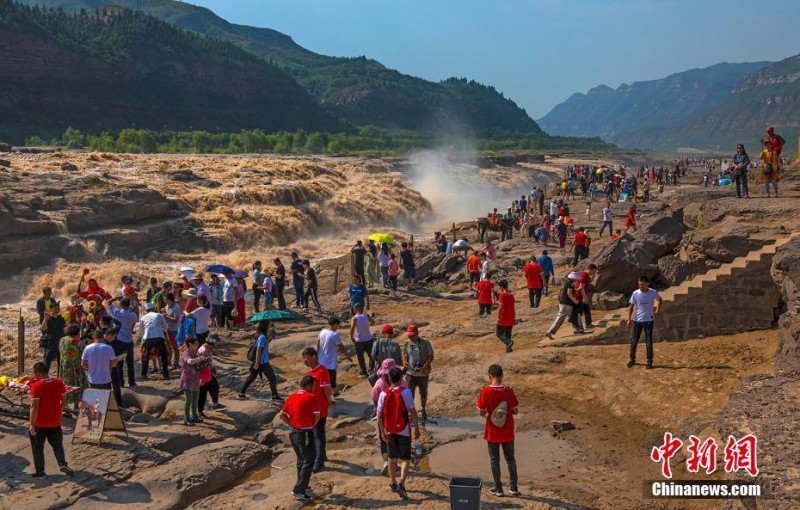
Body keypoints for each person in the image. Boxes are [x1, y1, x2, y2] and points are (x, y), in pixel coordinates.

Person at [376, 367, 420, 500]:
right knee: (405, 459)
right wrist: (416, 428)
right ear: (401, 378)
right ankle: (402, 483)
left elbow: (379, 415)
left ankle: (393, 482)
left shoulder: (383, 393)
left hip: (389, 430)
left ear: (389, 379)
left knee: (391, 457)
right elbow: (412, 412)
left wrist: (382, 431)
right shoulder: (406, 392)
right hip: (403, 430)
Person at [477, 364, 520, 497]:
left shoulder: (485, 392)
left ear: (490, 376)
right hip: (507, 430)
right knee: (510, 459)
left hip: (492, 431)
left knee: (494, 460)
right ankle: (513, 488)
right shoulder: (508, 391)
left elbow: (482, 413)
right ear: (502, 375)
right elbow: (515, 410)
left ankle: (498, 488)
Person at [28, 361, 74, 479]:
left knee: (37, 447)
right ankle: (62, 463)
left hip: (40, 423)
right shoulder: (58, 383)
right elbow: (63, 401)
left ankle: (40, 472)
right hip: (55, 421)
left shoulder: (36, 386)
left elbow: (34, 406)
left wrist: (32, 424)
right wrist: (58, 411)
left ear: (38, 373)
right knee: (57, 444)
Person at [280, 376, 320, 502]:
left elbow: (282, 415)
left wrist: (292, 424)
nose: (314, 389)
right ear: (308, 386)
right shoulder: (311, 397)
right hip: (305, 433)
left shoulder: (292, 397)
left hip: (293, 432)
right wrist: (311, 426)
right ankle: (299, 490)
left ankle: (303, 485)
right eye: (313, 386)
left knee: (301, 459)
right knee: (309, 459)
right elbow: (317, 417)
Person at [370, 359, 407, 476]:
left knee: (383, 439)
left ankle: (386, 462)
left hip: (382, 417)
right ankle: (394, 463)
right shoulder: (401, 383)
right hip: (396, 417)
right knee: (395, 439)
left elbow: (375, 400)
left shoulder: (378, 384)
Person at [302, 347, 332, 472]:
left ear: (314, 357)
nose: (304, 361)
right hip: (313, 407)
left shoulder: (322, 371)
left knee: (318, 434)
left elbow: (327, 389)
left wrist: (329, 401)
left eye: (306, 358)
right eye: (303, 358)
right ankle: (322, 455)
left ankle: (319, 461)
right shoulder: (311, 370)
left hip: (320, 408)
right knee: (316, 433)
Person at [238, 321, 282, 400]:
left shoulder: (261, 336)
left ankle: (241, 393)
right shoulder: (262, 337)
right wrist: (257, 362)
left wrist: (270, 338)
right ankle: (275, 396)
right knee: (272, 378)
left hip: (260, 361)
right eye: (268, 326)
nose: (269, 328)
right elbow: (259, 349)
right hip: (262, 362)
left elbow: (263, 345)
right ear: (265, 327)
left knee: (251, 377)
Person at [627, 275, 662, 369]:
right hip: (637, 320)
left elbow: (660, 299)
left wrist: (658, 310)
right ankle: (632, 360)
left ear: (647, 284)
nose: (640, 286)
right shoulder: (635, 293)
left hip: (649, 321)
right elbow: (631, 307)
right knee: (634, 341)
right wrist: (629, 319)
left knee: (649, 342)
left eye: (642, 284)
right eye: (639, 284)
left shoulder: (653, 292)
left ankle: (649, 362)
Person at [402, 325, 433, 423]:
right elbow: (404, 354)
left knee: (423, 393)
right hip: (410, 373)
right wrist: (404, 361)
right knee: (409, 394)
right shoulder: (407, 342)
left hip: (423, 374)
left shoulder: (425, 342)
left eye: (412, 335)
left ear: (417, 333)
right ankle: (411, 412)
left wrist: (424, 366)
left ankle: (423, 409)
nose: (410, 337)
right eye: (409, 335)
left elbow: (431, 356)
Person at [317, 317, 351, 396]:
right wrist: (347, 356)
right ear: (335, 324)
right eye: (338, 325)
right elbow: (341, 347)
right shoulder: (334, 334)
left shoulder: (322, 332)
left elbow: (318, 344)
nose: (338, 327)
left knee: (322, 378)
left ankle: (329, 392)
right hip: (330, 361)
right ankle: (333, 393)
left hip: (321, 360)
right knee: (331, 378)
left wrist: (318, 355)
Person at [180, 337, 209, 426]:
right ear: (190, 344)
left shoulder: (194, 353)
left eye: (197, 343)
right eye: (195, 344)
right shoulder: (186, 353)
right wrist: (201, 359)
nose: (197, 345)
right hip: (187, 380)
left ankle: (194, 416)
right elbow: (190, 361)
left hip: (195, 380)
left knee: (195, 400)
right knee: (188, 400)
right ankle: (187, 418)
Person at [545, 272, 581, 339]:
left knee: (573, 316)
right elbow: (569, 293)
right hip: (566, 304)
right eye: (576, 279)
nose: (576, 280)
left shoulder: (567, 282)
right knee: (560, 318)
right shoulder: (569, 283)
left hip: (565, 303)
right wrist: (575, 301)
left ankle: (577, 329)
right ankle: (549, 332)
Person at [139, 302, 170, 380]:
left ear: (146, 310)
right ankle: (166, 374)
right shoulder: (159, 315)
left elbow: (141, 332)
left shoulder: (142, 318)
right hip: (159, 336)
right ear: (154, 309)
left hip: (147, 337)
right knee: (164, 355)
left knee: (146, 356)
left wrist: (143, 340)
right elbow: (166, 327)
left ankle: (144, 373)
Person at [81, 328, 118, 393]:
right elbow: (114, 363)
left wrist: (90, 366)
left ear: (93, 338)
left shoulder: (87, 348)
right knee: (105, 399)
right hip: (105, 379)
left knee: (94, 400)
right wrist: (108, 365)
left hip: (92, 379)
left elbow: (83, 364)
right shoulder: (109, 348)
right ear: (103, 337)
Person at [59, 324, 86, 409]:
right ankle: (76, 405)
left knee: (66, 383)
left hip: (65, 365)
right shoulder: (78, 341)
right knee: (77, 384)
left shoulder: (62, 340)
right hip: (76, 366)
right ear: (77, 332)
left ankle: (65, 404)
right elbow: (84, 353)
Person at [198, 335, 224, 417]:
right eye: (215, 342)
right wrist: (211, 367)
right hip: (204, 375)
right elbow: (202, 363)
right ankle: (199, 412)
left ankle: (215, 404)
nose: (215, 344)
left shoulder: (206, 348)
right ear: (211, 342)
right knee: (203, 393)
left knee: (215, 386)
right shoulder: (203, 350)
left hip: (209, 373)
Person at [350, 303, 376, 377]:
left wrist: (352, 337)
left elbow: (352, 328)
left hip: (359, 340)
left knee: (360, 357)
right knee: (371, 355)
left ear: (355, 309)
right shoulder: (366, 315)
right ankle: (371, 369)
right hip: (368, 339)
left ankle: (364, 371)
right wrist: (367, 326)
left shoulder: (354, 318)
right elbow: (373, 322)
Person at [40, 301, 65, 373]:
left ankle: (60, 378)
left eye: (58, 309)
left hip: (61, 341)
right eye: (55, 309)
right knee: (47, 360)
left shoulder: (61, 318)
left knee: (61, 362)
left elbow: (64, 329)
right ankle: (44, 377)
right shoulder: (48, 319)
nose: (56, 310)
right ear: (50, 310)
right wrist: (45, 318)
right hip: (51, 342)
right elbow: (42, 328)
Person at [495, 280, 515, 353]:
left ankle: (508, 342)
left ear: (502, 287)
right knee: (508, 333)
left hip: (503, 318)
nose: (499, 288)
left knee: (498, 333)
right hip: (511, 317)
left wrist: (498, 318)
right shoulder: (511, 295)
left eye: (500, 287)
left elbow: (500, 307)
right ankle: (508, 349)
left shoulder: (502, 295)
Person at [578, 264, 598, 329]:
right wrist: (585, 297)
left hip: (582, 295)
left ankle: (588, 324)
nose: (593, 273)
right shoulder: (584, 275)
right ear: (589, 269)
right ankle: (583, 326)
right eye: (593, 272)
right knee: (582, 311)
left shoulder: (585, 275)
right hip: (580, 296)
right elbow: (581, 286)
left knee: (586, 310)